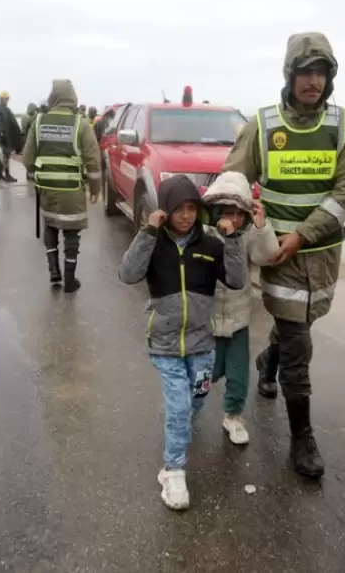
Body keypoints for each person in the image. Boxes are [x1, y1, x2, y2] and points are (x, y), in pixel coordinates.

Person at [222, 31, 345, 479]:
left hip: (322, 255)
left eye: (321, 72)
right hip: (277, 257)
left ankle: (268, 361)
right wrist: (228, 222)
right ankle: (302, 438)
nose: (313, 81)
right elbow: (233, 180)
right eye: (305, 71)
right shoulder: (263, 126)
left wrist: (304, 234)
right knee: (299, 342)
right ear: (289, 75)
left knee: (301, 324)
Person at [118, 175, 247, 510]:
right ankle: (173, 471)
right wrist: (148, 231)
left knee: (197, 398)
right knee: (179, 407)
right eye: (179, 209)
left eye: (192, 208)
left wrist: (233, 240)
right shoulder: (154, 242)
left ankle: (179, 432)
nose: (186, 215)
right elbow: (128, 274)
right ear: (166, 209)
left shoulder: (210, 245)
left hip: (201, 344)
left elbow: (236, 280)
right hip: (164, 344)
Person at [202, 172, 279, 445]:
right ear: (215, 210)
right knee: (206, 371)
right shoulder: (203, 234)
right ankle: (189, 407)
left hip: (238, 318)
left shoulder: (247, 233)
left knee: (238, 372)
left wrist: (262, 227)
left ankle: (233, 416)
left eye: (239, 213)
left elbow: (267, 257)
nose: (233, 219)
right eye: (227, 212)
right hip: (207, 320)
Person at [22, 79, 102, 292]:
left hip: (46, 189)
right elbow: (93, 161)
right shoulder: (81, 124)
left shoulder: (38, 122)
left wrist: (40, 170)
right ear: (72, 98)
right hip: (73, 191)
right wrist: (95, 190)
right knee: (71, 232)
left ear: (53, 97)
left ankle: (53, 271)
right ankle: (70, 279)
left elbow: (28, 159)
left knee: (50, 225)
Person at [0, 91, 22, 183]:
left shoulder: (7, 110)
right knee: (3, 156)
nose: (7, 100)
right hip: (1, 138)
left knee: (6, 157)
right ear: (1, 99)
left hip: (7, 137)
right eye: (6, 99)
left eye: (8, 99)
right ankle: (1, 174)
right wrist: (2, 135)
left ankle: (4, 174)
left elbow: (13, 124)